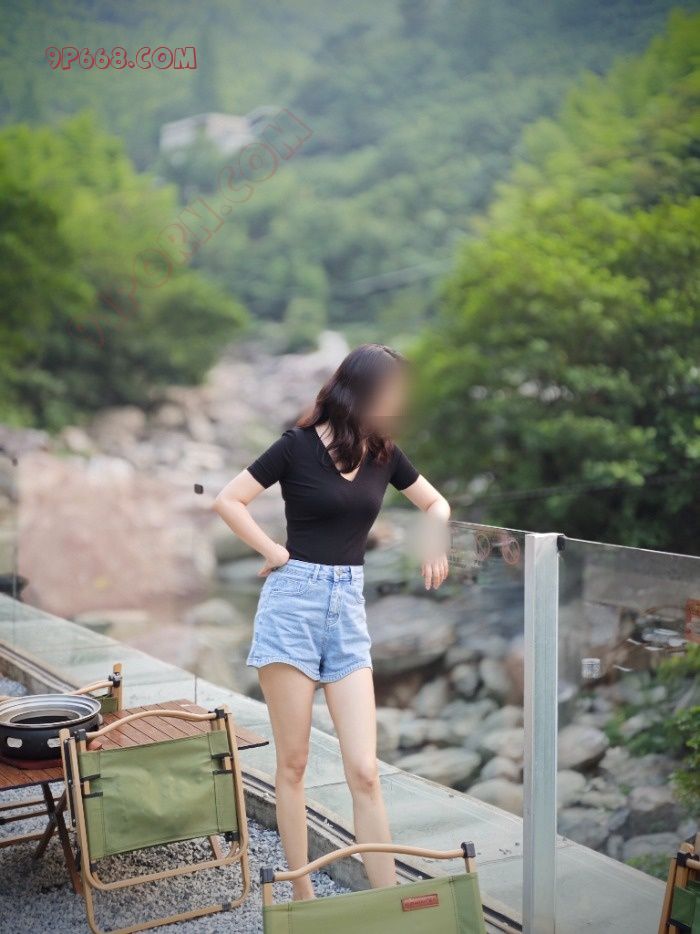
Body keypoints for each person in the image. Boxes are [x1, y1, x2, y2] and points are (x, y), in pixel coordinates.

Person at [213, 343, 450, 899]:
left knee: (365, 770)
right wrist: (274, 551)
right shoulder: (295, 446)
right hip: (291, 606)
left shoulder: (385, 453)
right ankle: (303, 900)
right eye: (392, 391)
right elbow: (228, 500)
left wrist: (434, 536)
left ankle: (391, 905)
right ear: (362, 390)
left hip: (347, 611)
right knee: (293, 765)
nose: (399, 402)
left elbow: (436, 503)